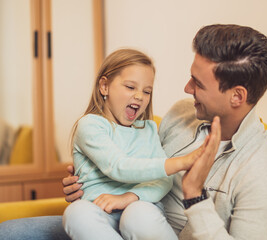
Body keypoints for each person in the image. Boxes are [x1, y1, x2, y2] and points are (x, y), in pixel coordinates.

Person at [0, 24, 267, 240]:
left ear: (237, 96)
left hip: (149, 224)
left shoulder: (262, 169)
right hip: (108, 220)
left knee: (137, 216)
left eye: (198, 83)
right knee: (8, 232)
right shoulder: (182, 114)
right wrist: (86, 179)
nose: (187, 89)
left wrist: (195, 197)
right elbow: (132, 163)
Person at [62, 48, 221, 240]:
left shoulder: (148, 130)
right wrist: (182, 162)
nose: (139, 96)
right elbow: (118, 166)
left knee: (137, 214)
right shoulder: (90, 125)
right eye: (130, 87)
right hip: (99, 214)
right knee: (76, 213)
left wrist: (128, 198)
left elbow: (164, 180)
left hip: (140, 212)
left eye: (147, 91)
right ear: (104, 86)